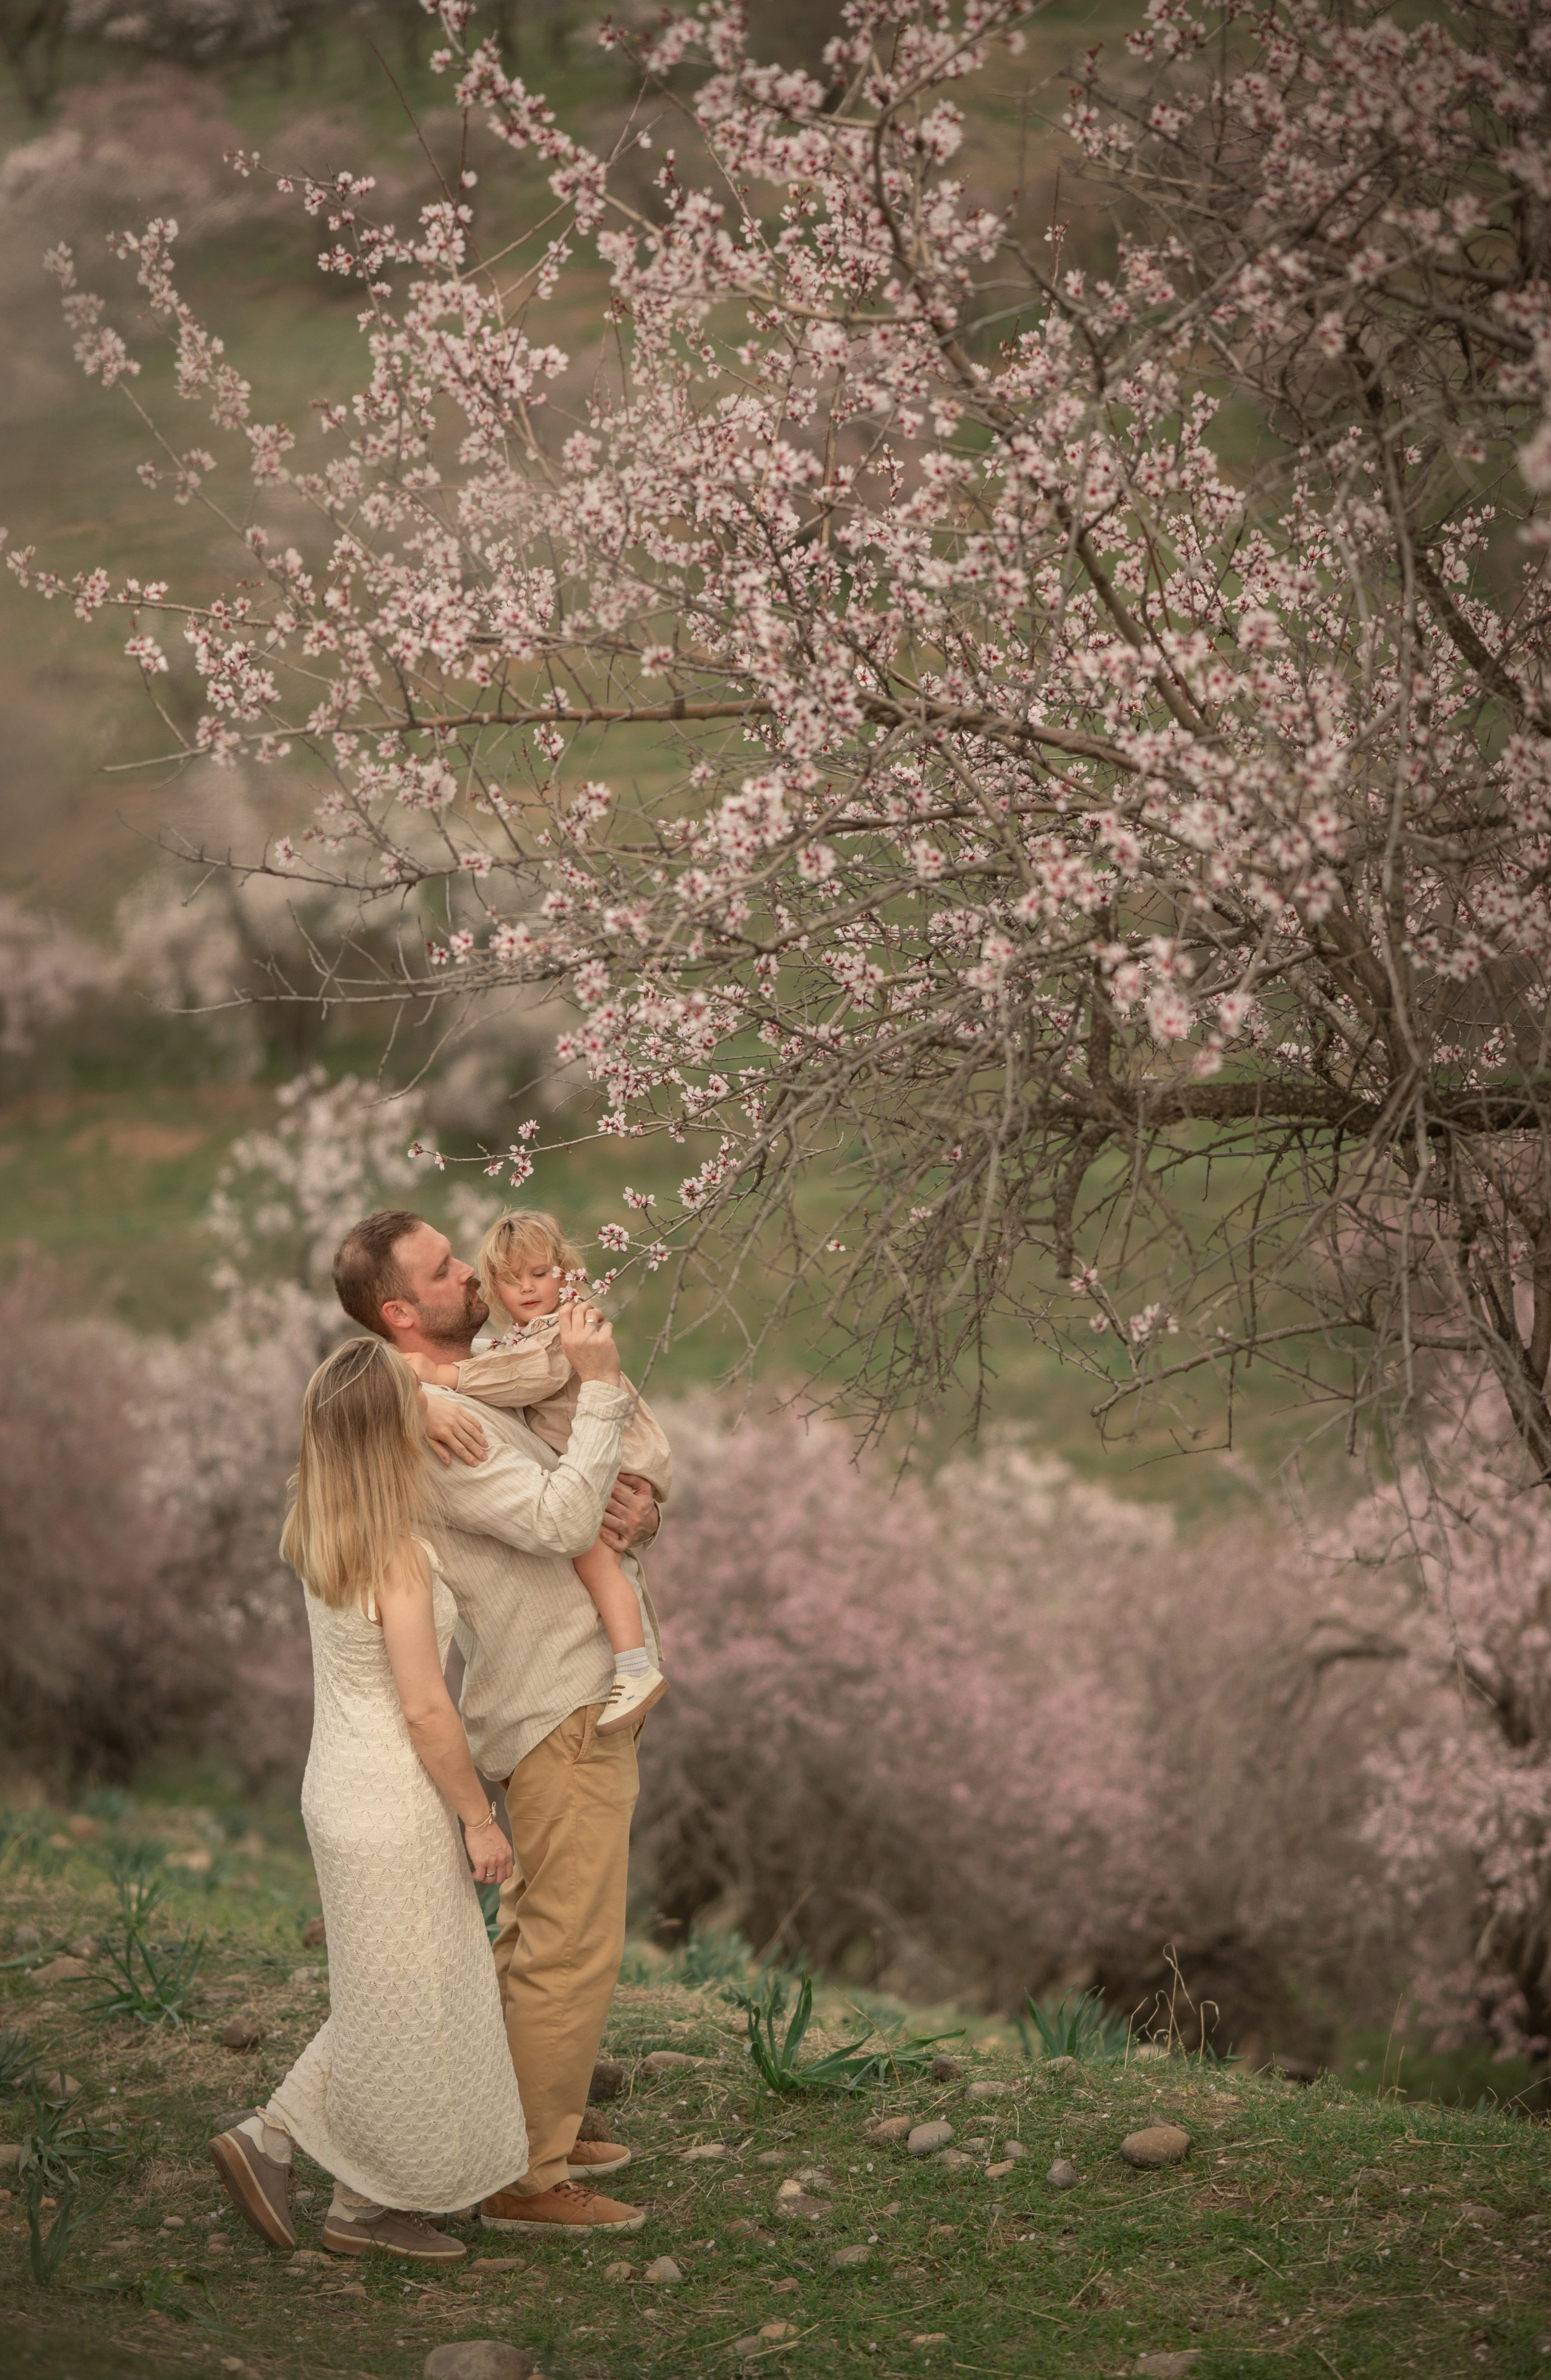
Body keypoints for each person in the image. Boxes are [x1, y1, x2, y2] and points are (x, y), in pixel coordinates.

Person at [330, 1208, 661, 2238]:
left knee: (536, 1931)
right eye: (442, 1269)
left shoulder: (456, 1390)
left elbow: (584, 1497)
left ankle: (525, 2119)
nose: (469, 1270)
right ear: (400, 1310)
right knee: (568, 1943)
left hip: (563, 1685)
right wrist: (602, 1384)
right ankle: (526, 2173)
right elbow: (560, 1520)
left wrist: (643, 1505)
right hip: (555, 1698)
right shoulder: (434, 1422)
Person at [208, 1339, 527, 2264]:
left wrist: (409, 1398)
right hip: (394, 1797)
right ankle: (272, 2135)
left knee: (394, 1990)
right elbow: (427, 1710)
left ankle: (365, 2205)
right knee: (406, 1994)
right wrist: (477, 1816)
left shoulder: (317, 1522)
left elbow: (348, 1396)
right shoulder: (396, 1552)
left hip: (335, 1788)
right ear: (394, 1430)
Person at [404, 1207, 671, 1735]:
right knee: (599, 1561)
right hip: (616, 1459)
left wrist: (442, 1375)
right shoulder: (524, 1338)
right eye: (509, 1278)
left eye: (541, 1274)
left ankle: (635, 1670)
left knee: (595, 1563)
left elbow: (525, 1378)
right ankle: (634, 1664)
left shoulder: (562, 1331)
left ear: (566, 1272)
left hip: (626, 1456)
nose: (526, 1288)